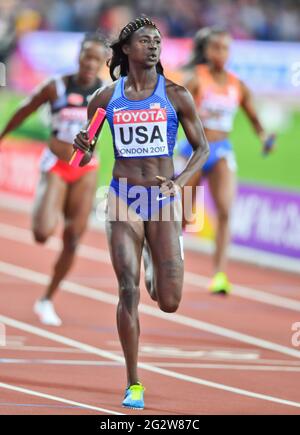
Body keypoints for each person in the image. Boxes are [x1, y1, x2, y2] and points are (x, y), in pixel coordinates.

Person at [74, 17, 209, 410]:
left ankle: (154, 254)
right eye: (145, 41)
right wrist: (82, 145)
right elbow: (84, 156)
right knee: (127, 289)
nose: (153, 46)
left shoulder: (176, 94)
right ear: (126, 50)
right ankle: (133, 382)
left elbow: (201, 149)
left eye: (157, 41)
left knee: (168, 301)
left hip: (166, 199)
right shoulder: (103, 98)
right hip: (122, 198)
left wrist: (181, 182)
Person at [0, 32, 108, 325]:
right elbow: (25, 110)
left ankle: (46, 299)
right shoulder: (56, 86)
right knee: (42, 233)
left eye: (97, 59)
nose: (90, 63)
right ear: (79, 56)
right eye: (87, 56)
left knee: (73, 240)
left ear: (105, 62)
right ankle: (48, 201)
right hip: (56, 164)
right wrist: (3, 136)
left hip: (86, 168)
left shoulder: (107, 93)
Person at [177, 27, 275, 295]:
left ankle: (219, 275)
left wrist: (265, 138)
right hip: (195, 150)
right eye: (216, 47)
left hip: (221, 151)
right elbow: (176, 113)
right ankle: (170, 263)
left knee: (226, 210)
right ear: (206, 51)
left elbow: (255, 120)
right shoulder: (196, 79)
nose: (220, 53)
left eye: (225, 48)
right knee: (184, 217)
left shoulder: (236, 85)